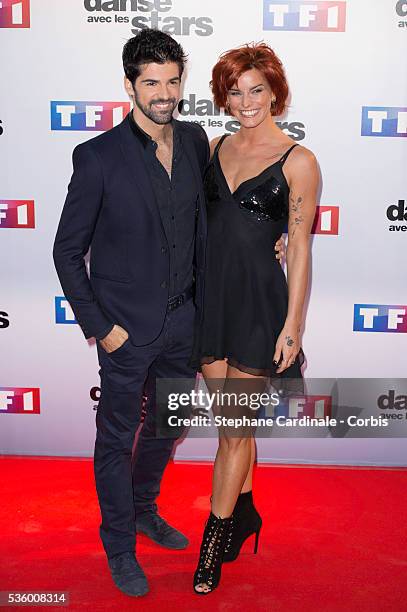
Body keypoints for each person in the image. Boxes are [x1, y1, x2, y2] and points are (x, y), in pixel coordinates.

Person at [53, 28, 286, 598]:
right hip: (124, 331)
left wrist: (270, 241)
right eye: (151, 82)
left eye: (172, 81)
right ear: (130, 84)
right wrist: (100, 328)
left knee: (168, 425)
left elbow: (225, 217)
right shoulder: (97, 157)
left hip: (188, 324)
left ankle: (143, 508)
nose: (163, 92)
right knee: (115, 440)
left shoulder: (195, 139)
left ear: (183, 83)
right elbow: (65, 250)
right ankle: (118, 545)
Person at [190, 42, 319, 594]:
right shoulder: (212, 146)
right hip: (209, 305)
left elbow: (301, 248)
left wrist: (293, 324)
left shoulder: (300, 161)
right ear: (224, 96)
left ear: (275, 93)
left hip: (256, 310)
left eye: (257, 90)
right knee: (231, 426)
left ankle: (212, 545)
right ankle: (245, 513)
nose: (246, 101)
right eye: (235, 91)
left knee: (232, 435)